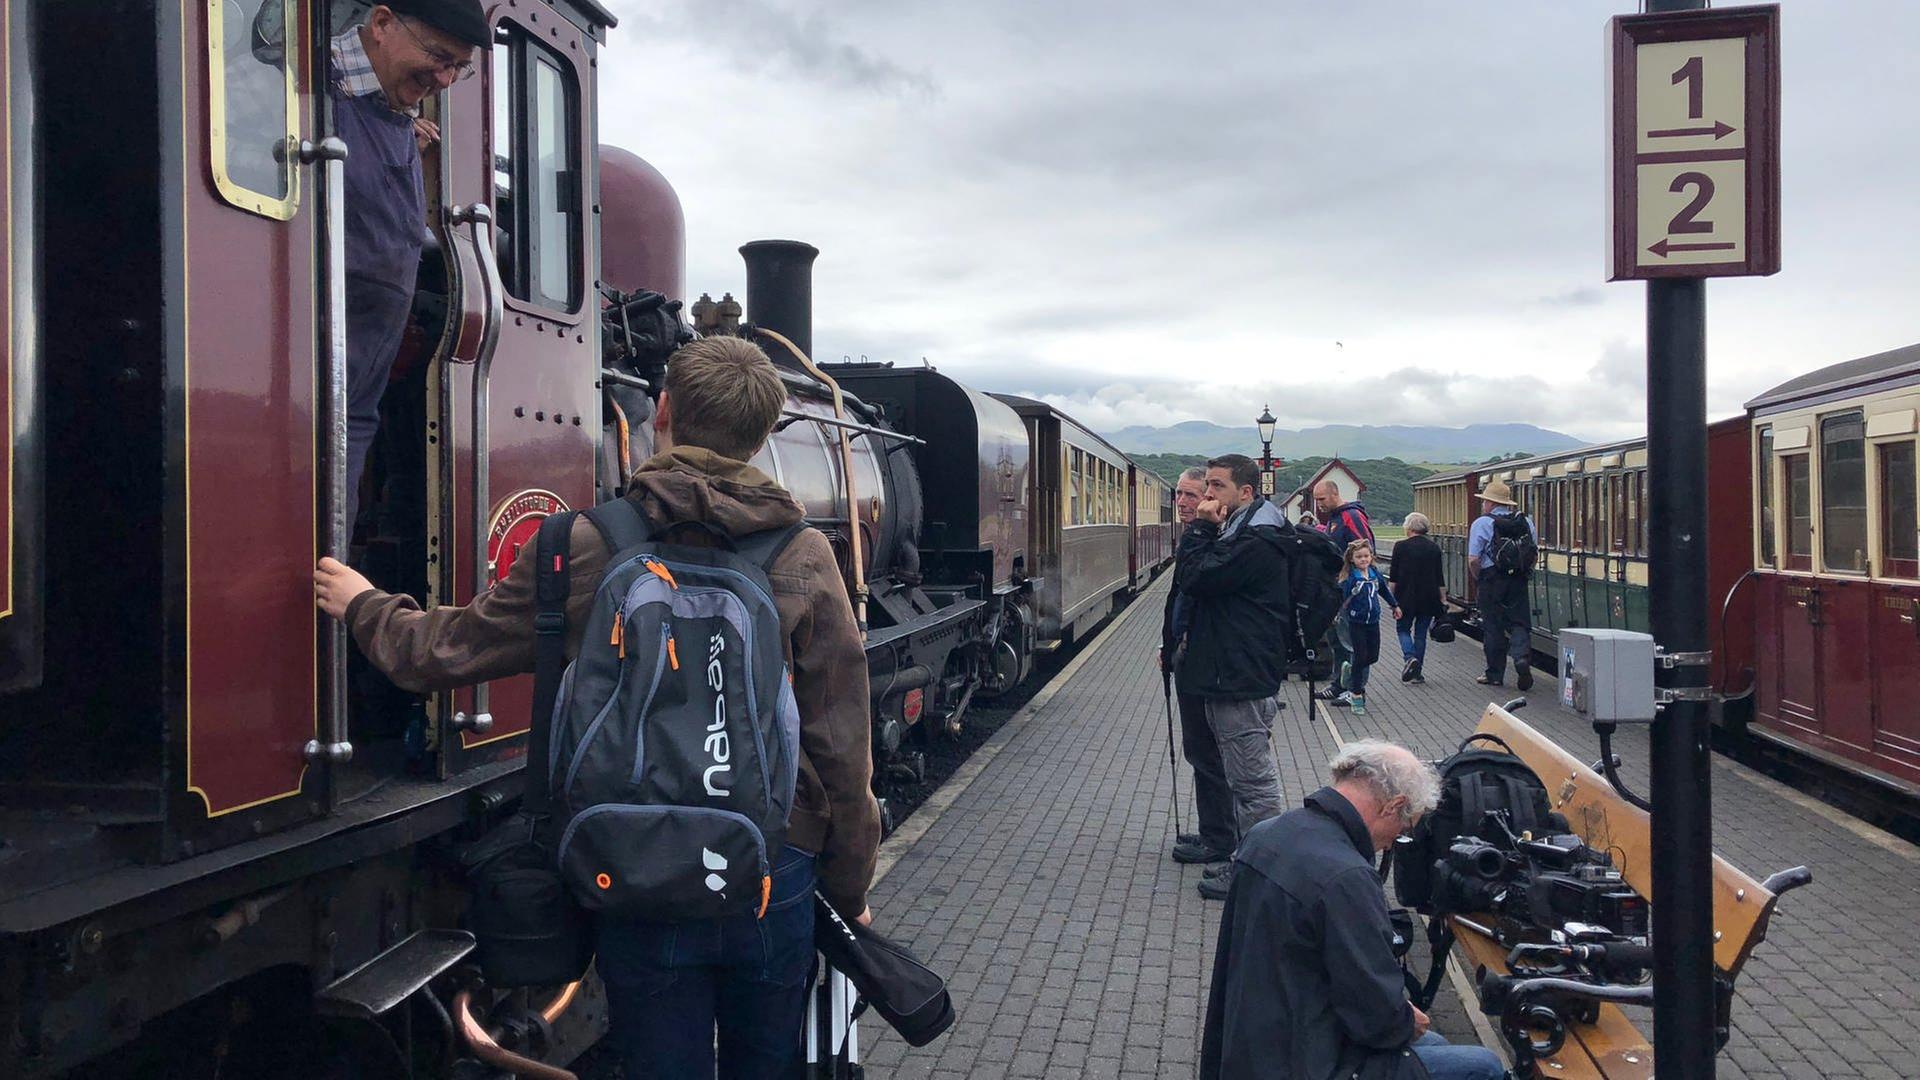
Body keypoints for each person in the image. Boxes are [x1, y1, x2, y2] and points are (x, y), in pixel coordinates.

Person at [314, 337, 881, 1079]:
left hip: (636, 867)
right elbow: (844, 746)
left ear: (665, 413)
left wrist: (365, 606)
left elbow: (443, 652)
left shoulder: (586, 542)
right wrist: (850, 888)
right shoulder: (804, 554)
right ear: (764, 435)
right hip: (773, 871)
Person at [1199, 740, 1506, 1080]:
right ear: (1394, 805)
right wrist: (1404, 1017)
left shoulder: (1265, 834)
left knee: (1433, 1044)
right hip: (1306, 1060)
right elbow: (1377, 1020)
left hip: (1250, 1040)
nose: (1393, 842)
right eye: (1404, 829)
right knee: (1483, 1066)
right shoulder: (1346, 877)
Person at [331, 2, 488, 527]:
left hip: (356, 395)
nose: (444, 78)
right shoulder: (302, 89)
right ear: (381, 25)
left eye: (457, 68)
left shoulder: (397, 114)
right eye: (439, 57)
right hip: (301, 385)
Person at [1175, 454, 1293, 901]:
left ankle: (1260, 871)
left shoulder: (1255, 539)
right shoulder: (1244, 530)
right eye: (1206, 486)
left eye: (1216, 487)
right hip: (1232, 670)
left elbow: (1195, 577)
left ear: (1245, 492)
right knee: (1241, 775)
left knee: (1252, 782)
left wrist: (1200, 529)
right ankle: (1243, 857)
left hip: (1240, 676)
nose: (1207, 496)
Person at [1161, 467, 1237, 865]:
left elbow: (1193, 590)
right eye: (1181, 494)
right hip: (1187, 655)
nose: (1185, 502)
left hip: (1205, 664)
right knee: (1201, 753)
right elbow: (1178, 602)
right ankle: (1215, 832)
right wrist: (1168, 643)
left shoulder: (1210, 539)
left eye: (1193, 495)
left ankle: (1221, 840)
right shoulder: (1196, 538)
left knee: (1208, 754)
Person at [1468, 478, 1539, 690]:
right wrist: (1525, 572)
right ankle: (1521, 658)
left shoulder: (1482, 523)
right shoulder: (1526, 522)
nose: (1483, 505)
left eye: (1484, 501)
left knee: (1493, 626)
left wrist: (1478, 577)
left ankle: (1495, 674)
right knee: (1520, 622)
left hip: (1491, 578)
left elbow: (1473, 559)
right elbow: (1533, 552)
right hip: (1518, 579)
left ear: (1490, 503)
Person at [1312, 480, 1374, 706]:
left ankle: (1356, 690)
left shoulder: (1351, 517)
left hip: (1350, 591)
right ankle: (1339, 683)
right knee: (1337, 640)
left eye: (1322, 499)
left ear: (1334, 494)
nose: (1319, 505)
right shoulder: (1333, 520)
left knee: (1352, 642)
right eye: (1317, 500)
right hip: (1335, 589)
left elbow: (1365, 548)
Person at [1335, 541, 1399, 716]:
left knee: (1373, 656)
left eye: (1366, 556)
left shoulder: (1373, 573)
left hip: (1373, 621)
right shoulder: (1350, 578)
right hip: (1356, 622)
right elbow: (1341, 597)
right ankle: (1356, 695)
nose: (1363, 559)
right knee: (1361, 655)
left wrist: (1395, 606)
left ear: (1371, 557)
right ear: (1352, 559)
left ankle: (1348, 669)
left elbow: (1384, 591)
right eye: (1359, 557)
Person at [1389, 512, 1446, 684]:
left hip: (1405, 597)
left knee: (1403, 629)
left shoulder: (1400, 546)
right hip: (1429, 598)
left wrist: (1392, 601)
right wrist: (1443, 599)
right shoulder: (1434, 548)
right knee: (1420, 635)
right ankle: (1417, 673)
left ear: (1409, 527)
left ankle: (1409, 658)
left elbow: (1393, 578)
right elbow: (1439, 577)